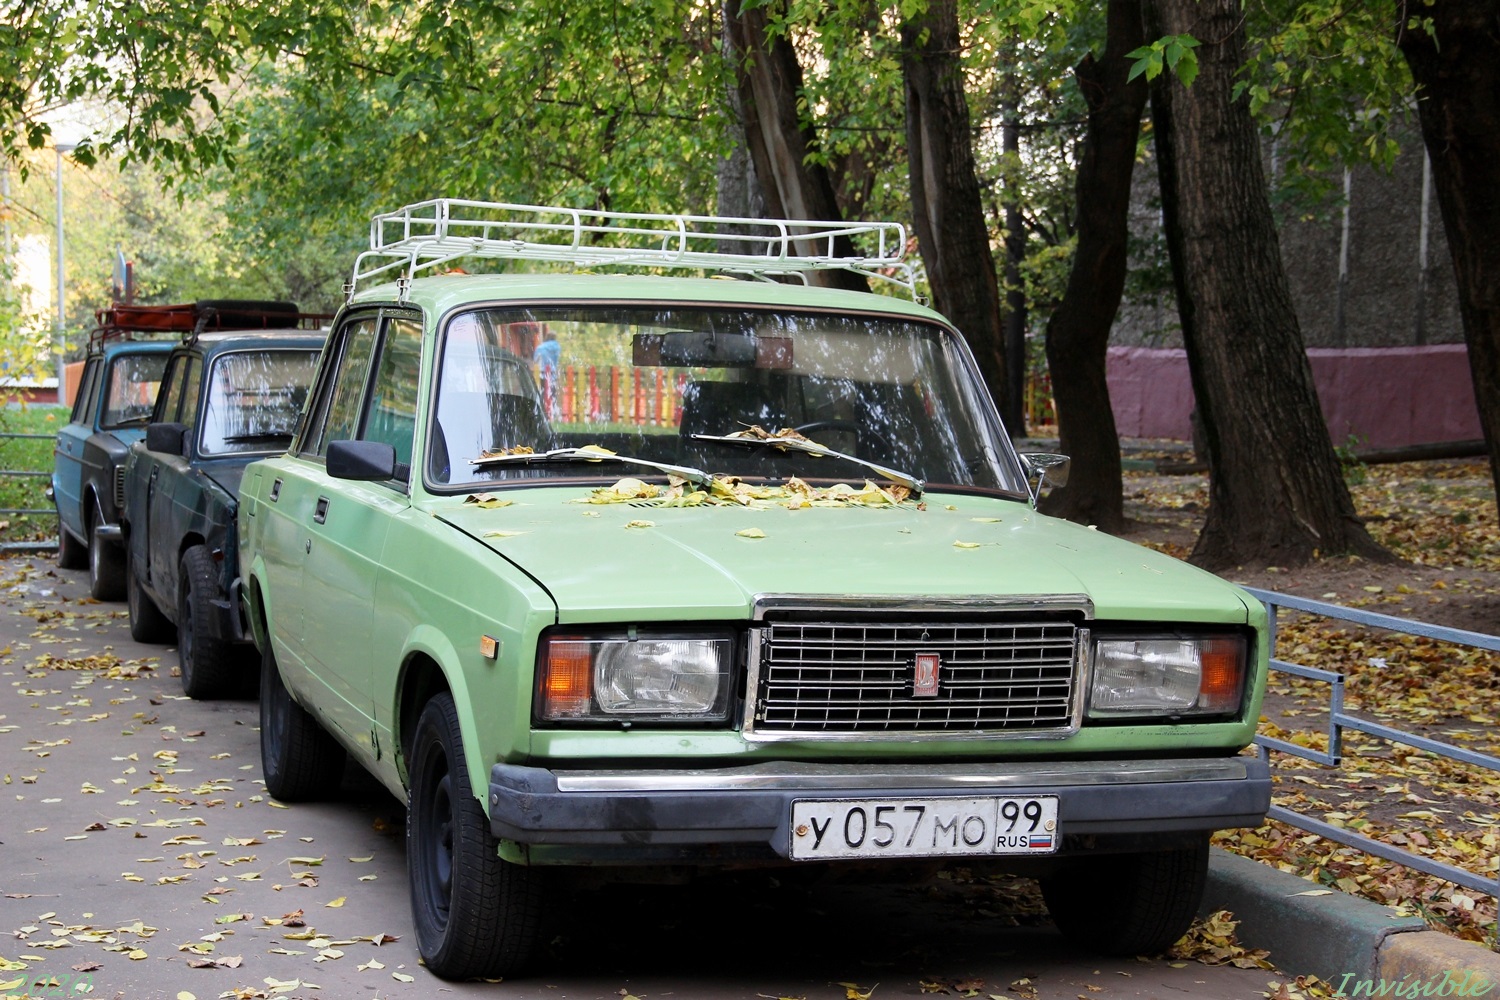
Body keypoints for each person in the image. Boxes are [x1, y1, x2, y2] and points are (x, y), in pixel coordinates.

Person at [533, 331, 561, 418]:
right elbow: (557, 359)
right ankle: (552, 411)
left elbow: (536, 360)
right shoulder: (557, 346)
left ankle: (542, 411)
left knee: (542, 392)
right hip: (552, 374)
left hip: (542, 373)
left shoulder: (541, 347)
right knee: (552, 393)